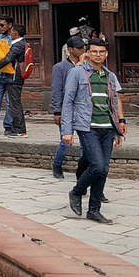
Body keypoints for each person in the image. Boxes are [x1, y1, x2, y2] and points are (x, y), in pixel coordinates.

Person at [61, 37, 126, 224]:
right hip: (87, 126)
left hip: (107, 127)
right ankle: (77, 191)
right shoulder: (77, 73)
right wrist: (66, 130)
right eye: (94, 51)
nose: (98, 55)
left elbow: (113, 103)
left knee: (103, 170)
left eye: (101, 52)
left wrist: (118, 129)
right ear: (87, 53)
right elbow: (68, 102)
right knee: (97, 166)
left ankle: (94, 210)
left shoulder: (109, 76)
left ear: (106, 54)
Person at [51, 36, 91, 179]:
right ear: (70, 50)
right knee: (65, 141)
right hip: (66, 108)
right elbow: (57, 90)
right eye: (79, 48)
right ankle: (57, 164)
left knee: (86, 143)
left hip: (83, 108)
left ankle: (83, 169)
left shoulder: (88, 66)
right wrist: (57, 111)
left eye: (83, 48)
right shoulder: (60, 68)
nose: (82, 50)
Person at [0, 20, 30, 136]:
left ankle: (19, 130)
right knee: (13, 103)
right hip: (13, 77)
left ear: (15, 33)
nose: (11, 34)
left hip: (14, 77)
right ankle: (16, 128)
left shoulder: (18, 45)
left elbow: (8, 58)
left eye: (12, 32)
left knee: (14, 104)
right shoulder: (21, 44)